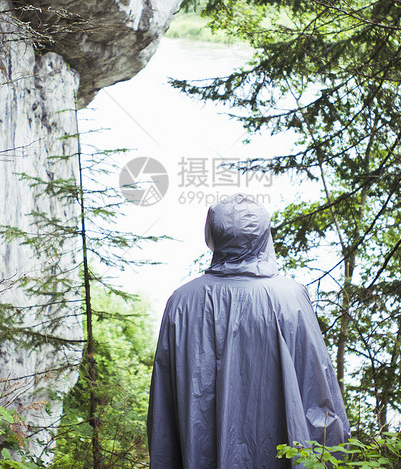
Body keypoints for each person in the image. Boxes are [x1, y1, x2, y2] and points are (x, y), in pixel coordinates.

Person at [147, 193, 350, 468]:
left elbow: (163, 409)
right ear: (265, 235)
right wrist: (333, 456)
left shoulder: (182, 302)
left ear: (213, 234)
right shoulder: (290, 299)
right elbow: (318, 391)